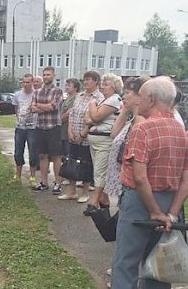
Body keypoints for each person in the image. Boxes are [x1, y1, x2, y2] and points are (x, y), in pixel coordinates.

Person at [89, 76, 188, 289]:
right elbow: (185, 177)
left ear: (153, 100)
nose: (137, 100)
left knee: (125, 267)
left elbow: (140, 177)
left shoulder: (143, 129)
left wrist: (154, 211)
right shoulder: (181, 130)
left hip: (140, 204)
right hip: (170, 203)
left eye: (142, 96)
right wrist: (171, 213)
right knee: (158, 265)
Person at [84, 73, 123, 212]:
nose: (102, 86)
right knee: (98, 170)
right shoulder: (104, 100)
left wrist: (92, 104)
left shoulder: (113, 100)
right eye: (103, 83)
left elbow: (94, 116)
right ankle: (104, 200)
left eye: (106, 84)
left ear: (114, 87)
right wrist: (92, 116)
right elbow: (87, 118)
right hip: (95, 140)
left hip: (104, 141)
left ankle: (93, 202)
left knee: (100, 171)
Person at [62, 71, 103, 202]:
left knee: (86, 163)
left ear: (96, 81)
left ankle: (85, 193)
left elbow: (94, 118)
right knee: (71, 161)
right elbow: (72, 114)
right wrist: (70, 130)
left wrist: (82, 134)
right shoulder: (79, 96)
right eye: (84, 80)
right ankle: (71, 191)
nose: (86, 82)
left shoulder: (99, 97)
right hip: (74, 134)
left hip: (86, 136)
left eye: (89, 79)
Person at [104, 77, 147, 201]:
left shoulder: (140, 122)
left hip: (129, 182)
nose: (123, 96)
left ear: (140, 97)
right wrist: (125, 111)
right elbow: (114, 134)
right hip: (121, 179)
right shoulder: (131, 119)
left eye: (128, 93)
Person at [31, 66, 63, 194]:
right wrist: (45, 107)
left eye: (48, 75)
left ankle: (58, 183)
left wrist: (39, 106)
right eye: (44, 75)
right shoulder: (37, 92)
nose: (45, 77)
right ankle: (44, 182)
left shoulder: (57, 91)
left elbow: (54, 107)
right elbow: (32, 108)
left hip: (53, 127)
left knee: (56, 156)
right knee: (42, 155)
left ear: (53, 76)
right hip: (40, 126)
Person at [12, 74, 39, 185]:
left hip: (33, 128)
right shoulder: (17, 95)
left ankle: (32, 176)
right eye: (23, 82)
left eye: (28, 82)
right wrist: (19, 120)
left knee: (33, 152)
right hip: (20, 128)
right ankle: (17, 175)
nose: (25, 84)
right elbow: (16, 108)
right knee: (18, 152)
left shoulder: (37, 94)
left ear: (32, 83)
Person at [60, 78, 80, 158]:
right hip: (63, 130)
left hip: (69, 130)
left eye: (69, 85)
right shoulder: (68, 97)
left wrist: (59, 120)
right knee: (63, 155)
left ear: (75, 87)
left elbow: (70, 113)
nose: (66, 87)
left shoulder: (76, 98)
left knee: (69, 155)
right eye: (66, 85)